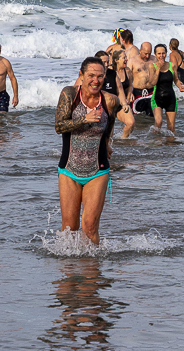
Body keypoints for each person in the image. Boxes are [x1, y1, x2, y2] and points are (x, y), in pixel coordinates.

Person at [55, 57, 123, 244]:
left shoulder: (110, 100)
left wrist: (107, 141)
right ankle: (69, 271)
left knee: (90, 227)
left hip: (97, 170)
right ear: (81, 76)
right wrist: (84, 119)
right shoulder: (69, 94)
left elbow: (110, 122)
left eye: (100, 76)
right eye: (91, 75)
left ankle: (92, 271)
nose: (96, 80)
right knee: (69, 227)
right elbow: (59, 126)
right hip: (69, 170)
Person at [116, 30, 160, 135]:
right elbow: (127, 79)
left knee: (151, 118)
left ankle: (150, 136)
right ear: (140, 50)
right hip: (137, 93)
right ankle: (135, 136)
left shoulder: (154, 60)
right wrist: (128, 94)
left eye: (149, 54)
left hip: (151, 93)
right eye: (145, 53)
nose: (147, 56)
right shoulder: (132, 61)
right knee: (136, 118)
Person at [151, 44, 184, 134]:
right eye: (159, 53)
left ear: (166, 53)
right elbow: (153, 82)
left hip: (171, 99)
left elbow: (176, 80)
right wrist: (159, 67)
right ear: (155, 55)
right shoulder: (152, 66)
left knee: (171, 128)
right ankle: (155, 144)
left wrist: (179, 86)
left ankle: (170, 146)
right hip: (157, 98)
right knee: (158, 122)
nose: (161, 56)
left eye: (163, 53)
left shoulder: (172, 65)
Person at [104, 50, 136, 136]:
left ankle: (123, 140)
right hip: (109, 104)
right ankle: (111, 146)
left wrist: (128, 96)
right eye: (124, 57)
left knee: (131, 123)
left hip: (122, 102)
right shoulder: (110, 70)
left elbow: (129, 86)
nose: (126, 59)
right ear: (116, 60)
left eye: (126, 57)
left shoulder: (127, 71)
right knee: (109, 134)